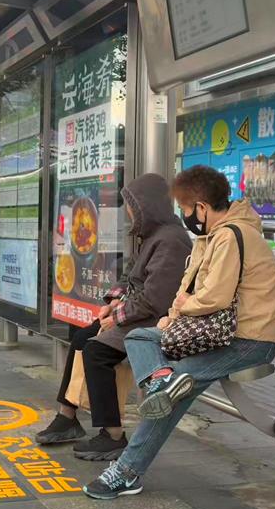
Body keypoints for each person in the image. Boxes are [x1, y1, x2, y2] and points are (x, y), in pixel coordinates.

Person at [84, 165, 275, 499]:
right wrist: (171, 317)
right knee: (140, 337)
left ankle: (126, 472)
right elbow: (188, 288)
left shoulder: (232, 236)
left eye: (188, 210)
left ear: (202, 208)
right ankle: (161, 382)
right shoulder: (212, 236)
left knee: (176, 391)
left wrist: (181, 308)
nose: (186, 216)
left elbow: (213, 296)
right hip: (223, 333)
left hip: (250, 340)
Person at [35, 174, 191, 461]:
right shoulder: (153, 236)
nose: (129, 211)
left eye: (132, 205)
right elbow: (129, 276)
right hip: (136, 312)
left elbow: (155, 299)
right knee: (81, 338)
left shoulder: (171, 240)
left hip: (153, 320)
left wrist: (117, 317)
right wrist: (113, 302)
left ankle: (114, 435)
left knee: (96, 351)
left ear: (147, 205)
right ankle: (67, 415)